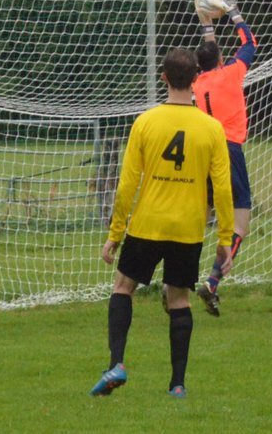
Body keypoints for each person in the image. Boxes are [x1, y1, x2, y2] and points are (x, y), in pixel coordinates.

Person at [89, 48, 235, 398]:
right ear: (197, 78)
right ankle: (178, 384)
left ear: (164, 78)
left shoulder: (146, 122)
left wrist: (115, 233)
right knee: (179, 299)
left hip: (147, 225)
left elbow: (127, 185)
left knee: (123, 288)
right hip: (187, 229)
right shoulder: (212, 128)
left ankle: (117, 364)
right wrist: (225, 238)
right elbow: (224, 188)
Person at [189, 0, 258, 316]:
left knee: (196, 222)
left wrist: (206, 23)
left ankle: (176, 280)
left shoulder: (196, 83)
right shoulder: (231, 73)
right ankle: (213, 281)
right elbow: (250, 44)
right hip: (229, 150)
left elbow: (209, 54)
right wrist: (232, 12)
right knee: (240, 219)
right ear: (219, 60)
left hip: (203, 152)